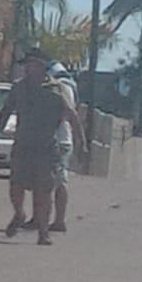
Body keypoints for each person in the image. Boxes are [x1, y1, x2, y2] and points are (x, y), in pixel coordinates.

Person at [0, 50, 85, 246]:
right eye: (26, 65)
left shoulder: (57, 89)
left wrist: (81, 143)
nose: (27, 68)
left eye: (31, 64)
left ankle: (43, 232)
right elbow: (6, 110)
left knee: (43, 191)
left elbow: (72, 116)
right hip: (23, 145)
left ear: (41, 66)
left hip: (46, 148)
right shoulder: (19, 88)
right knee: (16, 186)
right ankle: (19, 214)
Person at [47, 62, 79, 233]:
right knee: (52, 180)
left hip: (58, 140)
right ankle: (49, 218)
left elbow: (67, 113)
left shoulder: (62, 88)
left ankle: (58, 220)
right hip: (63, 139)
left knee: (57, 181)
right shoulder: (70, 87)